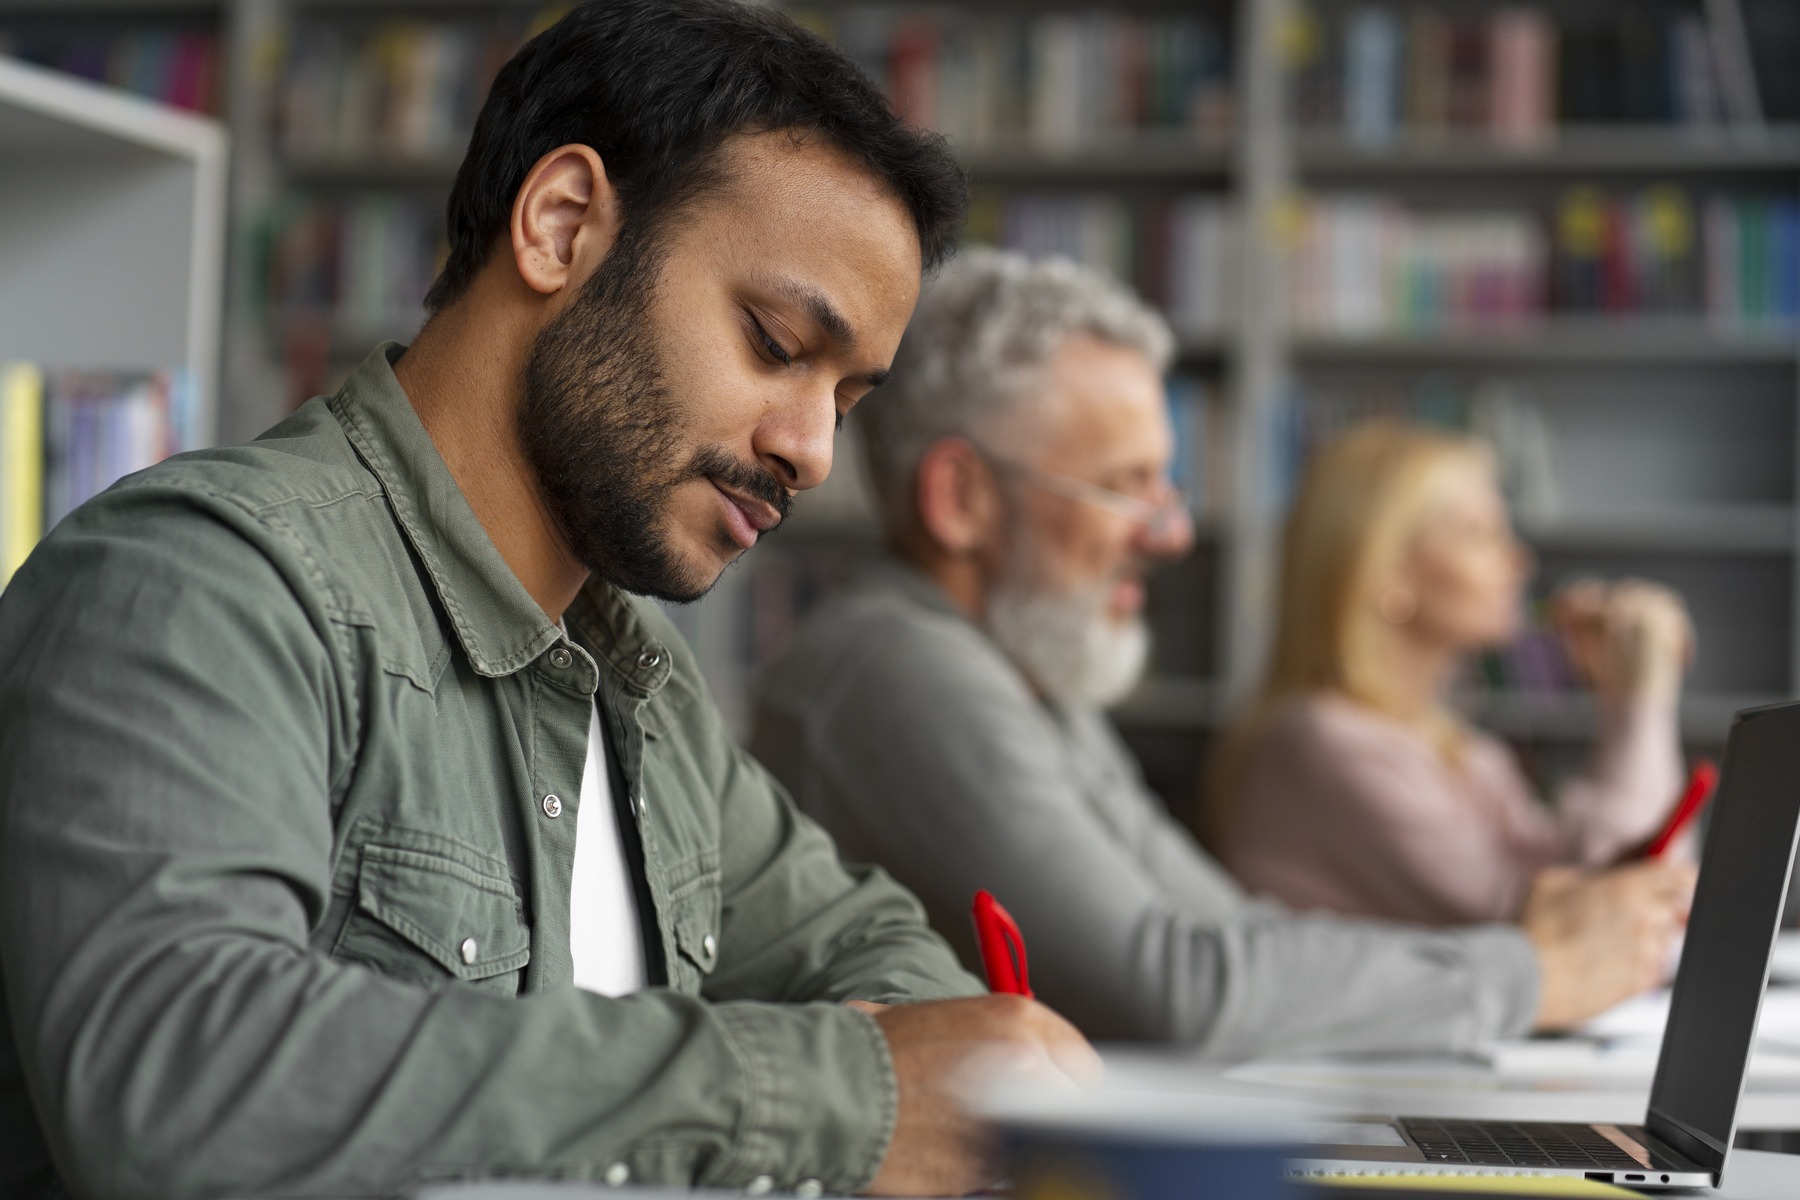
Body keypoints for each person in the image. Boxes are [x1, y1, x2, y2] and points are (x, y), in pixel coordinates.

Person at [0, 8, 1099, 1198]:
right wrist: (838, 1092)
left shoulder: (636, 680)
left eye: (848, 397)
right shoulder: (200, 583)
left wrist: (945, 1069)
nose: (813, 450)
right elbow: (182, 1082)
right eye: (777, 342)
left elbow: (869, 945)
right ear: (561, 224)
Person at [751, 248, 1694, 1055]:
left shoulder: (1020, 669)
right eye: (1128, 487)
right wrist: (1528, 972)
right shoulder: (898, 665)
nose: (1171, 533)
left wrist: (1521, 966)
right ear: (962, 498)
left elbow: (1231, 930)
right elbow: (1168, 991)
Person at [1212, 422, 1696, 926]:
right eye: (1479, 533)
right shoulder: (1324, 744)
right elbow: (1577, 929)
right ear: (1384, 571)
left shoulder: (1464, 753)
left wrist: (1631, 702)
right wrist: (1637, 706)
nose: (1518, 560)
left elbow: (1647, 901)